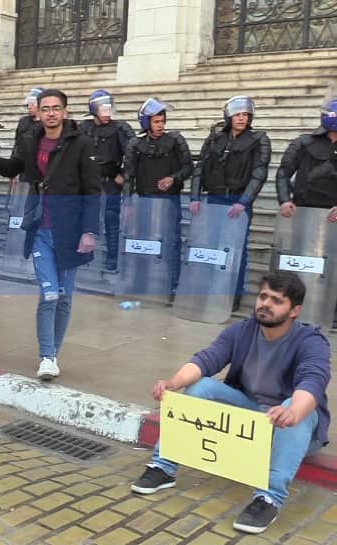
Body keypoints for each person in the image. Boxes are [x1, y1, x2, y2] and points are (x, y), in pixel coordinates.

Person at [131, 272, 330, 535]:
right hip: (250, 417)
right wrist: (172, 383)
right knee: (202, 386)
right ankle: (163, 467)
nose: (266, 304)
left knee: (296, 405)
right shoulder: (242, 331)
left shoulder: (310, 342)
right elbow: (208, 359)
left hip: (291, 426)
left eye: (277, 300)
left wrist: (293, 411)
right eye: (263, 296)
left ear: (295, 310)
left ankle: (269, 498)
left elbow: (312, 381)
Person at [16, 89, 100, 381]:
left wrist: (89, 231)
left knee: (63, 298)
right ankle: (47, 356)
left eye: (56, 108)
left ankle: (53, 353)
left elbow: (92, 190)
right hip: (41, 229)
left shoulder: (82, 143)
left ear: (65, 112)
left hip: (69, 232)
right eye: (45, 108)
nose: (50, 113)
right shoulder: (31, 141)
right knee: (49, 293)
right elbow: (13, 167)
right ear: (37, 112)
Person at [190, 96, 271, 310]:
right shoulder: (216, 138)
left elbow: (259, 173)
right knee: (212, 246)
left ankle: (233, 294)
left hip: (238, 200)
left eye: (245, 115)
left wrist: (244, 202)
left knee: (236, 249)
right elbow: (200, 168)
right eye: (237, 115)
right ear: (229, 116)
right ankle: (210, 288)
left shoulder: (259, 139)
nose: (242, 118)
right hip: (215, 199)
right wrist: (195, 197)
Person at [122, 97, 194, 296]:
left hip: (169, 201)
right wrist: (127, 203)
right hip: (144, 201)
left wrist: (173, 178)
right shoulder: (135, 144)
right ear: (146, 123)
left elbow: (188, 167)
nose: (160, 125)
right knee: (143, 243)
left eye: (162, 121)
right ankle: (139, 283)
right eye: (156, 121)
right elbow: (129, 175)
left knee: (172, 242)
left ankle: (173, 285)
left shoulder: (175, 140)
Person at [79, 90, 135, 272]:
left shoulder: (120, 129)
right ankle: (82, 253)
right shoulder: (83, 128)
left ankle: (112, 256)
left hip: (110, 182)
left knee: (111, 218)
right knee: (83, 216)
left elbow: (133, 155)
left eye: (109, 108)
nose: (107, 112)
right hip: (88, 181)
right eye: (103, 108)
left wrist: (123, 175)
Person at [276, 98, 337, 221]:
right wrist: (285, 200)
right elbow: (283, 172)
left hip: (333, 214)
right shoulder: (303, 142)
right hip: (303, 210)